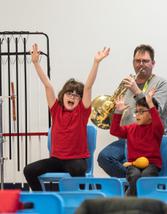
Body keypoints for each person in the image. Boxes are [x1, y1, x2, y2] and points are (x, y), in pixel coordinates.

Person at [23, 44, 110, 191]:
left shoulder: (82, 112)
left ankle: (79, 199)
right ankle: (44, 198)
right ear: (62, 96)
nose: (72, 96)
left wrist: (96, 63)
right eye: (69, 93)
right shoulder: (56, 110)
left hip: (76, 160)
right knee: (29, 170)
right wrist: (36, 63)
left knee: (77, 169)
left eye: (77, 95)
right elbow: (48, 86)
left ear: (80, 99)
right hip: (56, 160)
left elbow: (88, 87)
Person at [97, 44, 167, 178]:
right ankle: (134, 181)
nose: (141, 64)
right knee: (104, 157)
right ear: (133, 63)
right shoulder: (127, 84)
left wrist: (136, 90)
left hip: (153, 140)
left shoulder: (161, 84)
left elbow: (157, 111)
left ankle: (135, 183)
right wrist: (115, 111)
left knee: (143, 170)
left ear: (153, 63)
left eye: (145, 61)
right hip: (129, 138)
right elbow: (117, 123)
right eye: (137, 61)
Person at [109, 89, 163, 196]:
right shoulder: (131, 128)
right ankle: (134, 204)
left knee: (147, 176)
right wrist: (118, 112)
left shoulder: (156, 128)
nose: (137, 115)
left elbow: (158, 122)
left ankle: (140, 202)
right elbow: (114, 131)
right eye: (136, 111)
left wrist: (150, 103)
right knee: (135, 176)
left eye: (142, 111)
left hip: (151, 165)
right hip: (133, 165)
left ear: (152, 114)